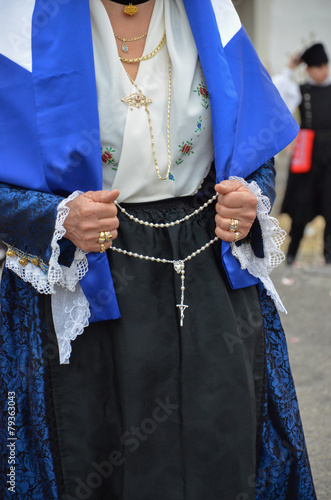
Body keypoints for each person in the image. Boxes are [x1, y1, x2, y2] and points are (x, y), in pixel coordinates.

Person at [0, 1, 316, 499]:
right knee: (92, 454)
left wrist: (249, 197)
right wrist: (55, 218)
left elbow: (254, 155)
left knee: (221, 452)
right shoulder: (17, 21)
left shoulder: (211, 13)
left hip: (206, 269)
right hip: (83, 275)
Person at [273, 42, 331, 265]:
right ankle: (292, 254)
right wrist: (290, 68)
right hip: (308, 151)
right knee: (302, 202)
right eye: (317, 66)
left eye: (325, 65)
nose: (323, 70)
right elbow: (277, 91)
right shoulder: (300, 89)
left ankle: (328, 256)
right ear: (307, 69)